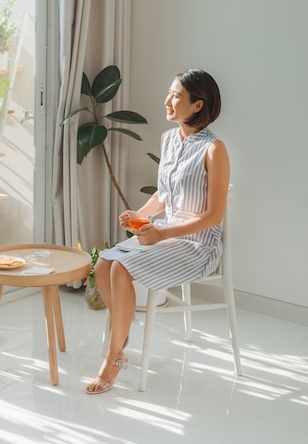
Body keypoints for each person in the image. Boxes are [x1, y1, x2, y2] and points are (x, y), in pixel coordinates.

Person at [85, 69, 230, 394]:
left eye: (176, 96)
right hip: (165, 234)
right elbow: (163, 195)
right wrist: (140, 214)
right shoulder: (168, 139)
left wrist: (163, 234)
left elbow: (215, 215)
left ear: (197, 105)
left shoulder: (214, 149)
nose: (167, 101)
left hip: (198, 246)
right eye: (169, 93)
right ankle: (121, 341)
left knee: (121, 268)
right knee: (103, 264)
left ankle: (113, 356)